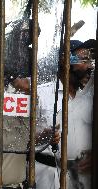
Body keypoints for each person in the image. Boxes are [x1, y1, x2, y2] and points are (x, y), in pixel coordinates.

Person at [56, 39, 95, 189]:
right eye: (84, 60)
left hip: (83, 178)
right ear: (65, 61)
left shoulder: (90, 98)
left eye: (90, 60)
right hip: (47, 176)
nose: (89, 66)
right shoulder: (41, 92)